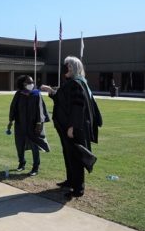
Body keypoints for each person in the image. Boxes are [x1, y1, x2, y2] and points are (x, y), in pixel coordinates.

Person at [40, 56, 102, 199]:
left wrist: (72, 127)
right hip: (66, 127)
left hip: (74, 128)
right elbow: (62, 99)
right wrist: (51, 90)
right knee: (68, 155)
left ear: (72, 68)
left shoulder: (76, 84)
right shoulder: (73, 83)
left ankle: (78, 189)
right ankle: (70, 181)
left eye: (67, 66)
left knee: (75, 157)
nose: (65, 69)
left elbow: (78, 107)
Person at [6, 75, 50, 177]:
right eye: (29, 83)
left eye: (32, 82)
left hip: (33, 125)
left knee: (35, 146)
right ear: (23, 84)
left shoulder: (36, 94)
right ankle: (21, 163)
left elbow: (40, 109)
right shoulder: (19, 94)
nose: (31, 84)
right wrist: (10, 120)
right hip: (20, 124)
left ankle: (35, 168)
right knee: (19, 145)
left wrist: (39, 123)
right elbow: (13, 107)